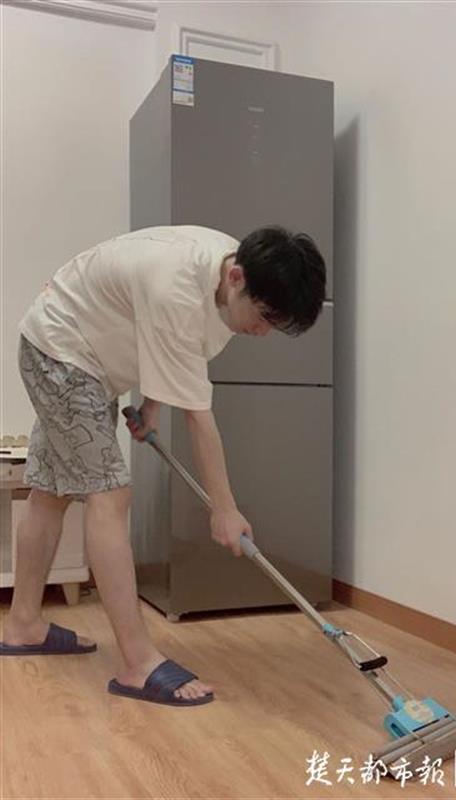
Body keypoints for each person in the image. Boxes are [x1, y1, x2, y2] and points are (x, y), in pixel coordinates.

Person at [0, 224, 326, 706]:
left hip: (74, 353)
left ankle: (24, 624)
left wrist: (150, 408)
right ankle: (138, 663)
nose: (263, 332)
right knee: (110, 494)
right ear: (236, 277)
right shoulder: (178, 286)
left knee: (51, 491)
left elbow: (176, 351)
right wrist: (224, 509)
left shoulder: (226, 272)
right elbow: (198, 417)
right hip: (63, 353)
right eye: (263, 317)